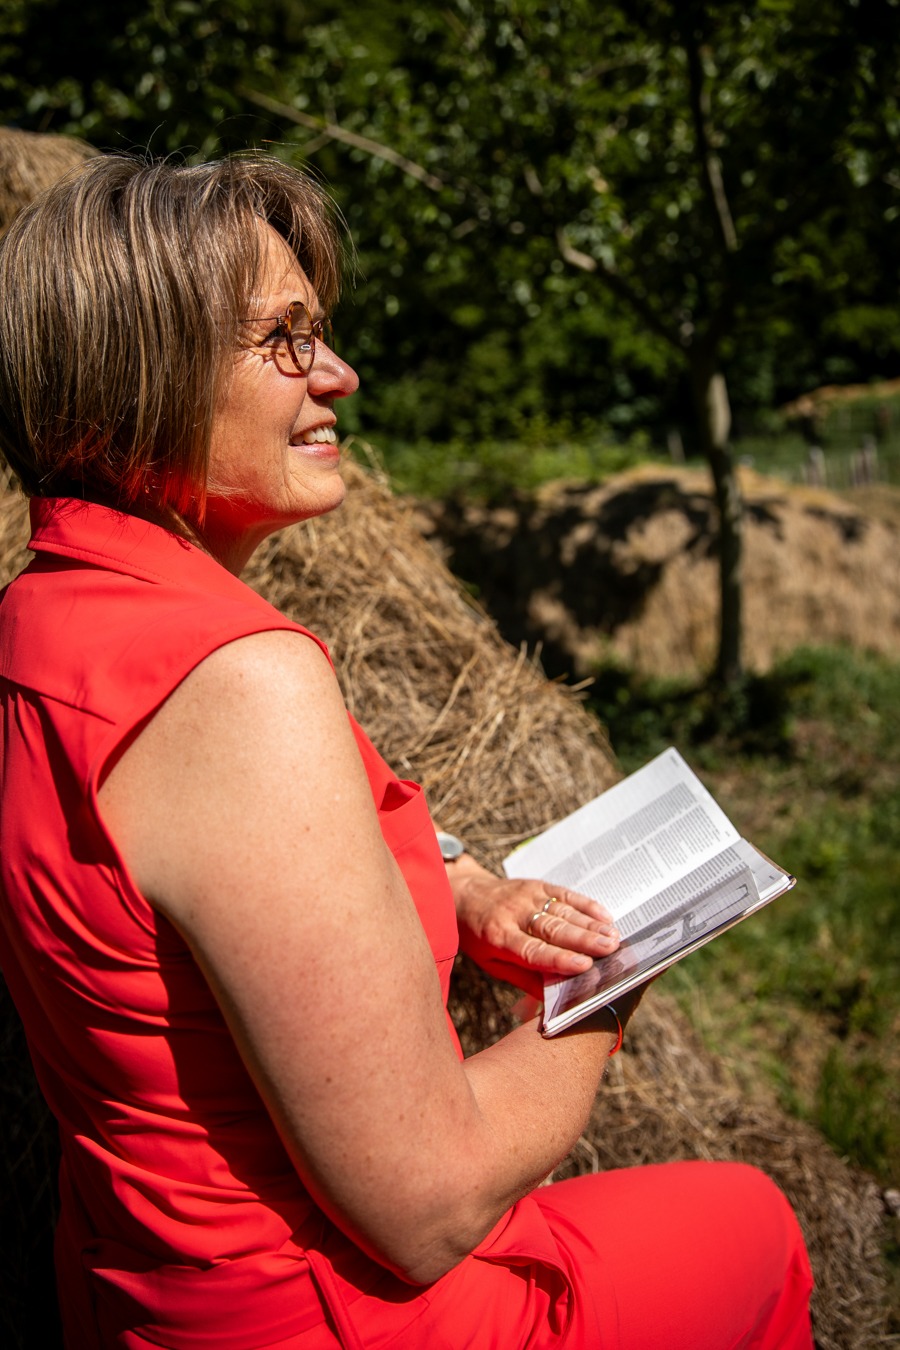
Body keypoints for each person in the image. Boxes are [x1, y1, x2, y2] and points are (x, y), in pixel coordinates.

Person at [0, 152, 814, 1350]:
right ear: (137, 375)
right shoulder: (236, 683)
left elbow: (204, 869)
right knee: (752, 1224)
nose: (339, 374)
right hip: (329, 1322)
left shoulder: (41, 624)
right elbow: (426, 1202)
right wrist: (617, 969)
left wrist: (470, 886)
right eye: (283, 339)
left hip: (140, 1302)